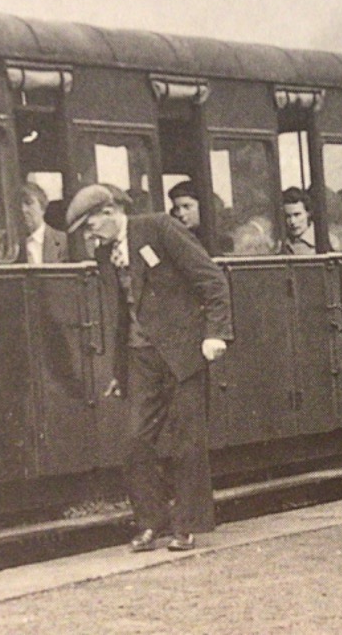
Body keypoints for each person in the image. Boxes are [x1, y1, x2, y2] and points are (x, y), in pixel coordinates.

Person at [66, 183, 232, 552]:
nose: (90, 236)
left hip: (182, 354)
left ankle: (185, 526)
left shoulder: (158, 228)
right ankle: (149, 524)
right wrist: (118, 370)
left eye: (91, 225)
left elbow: (212, 280)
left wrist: (215, 333)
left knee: (187, 441)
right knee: (136, 440)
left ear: (110, 212)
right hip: (140, 357)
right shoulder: (105, 254)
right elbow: (121, 315)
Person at [168, 180, 233, 255]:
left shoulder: (222, 240)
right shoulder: (179, 240)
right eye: (176, 208)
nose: (180, 213)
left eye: (186, 206)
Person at [18, 182, 68, 264]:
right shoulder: (9, 244)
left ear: (42, 208)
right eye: (18, 205)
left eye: (29, 203)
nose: (23, 209)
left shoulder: (63, 241)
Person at [281, 186, 319, 255]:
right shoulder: (277, 243)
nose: (292, 221)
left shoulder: (326, 242)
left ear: (308, 213)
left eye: (297, 215)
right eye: (287, 216)